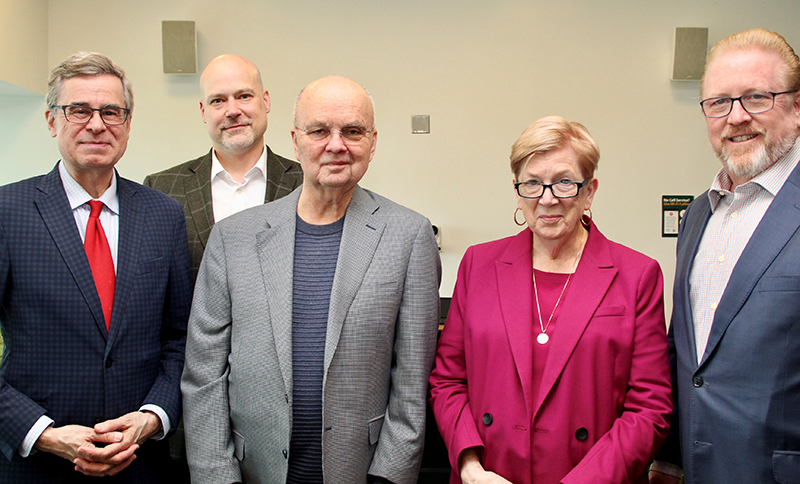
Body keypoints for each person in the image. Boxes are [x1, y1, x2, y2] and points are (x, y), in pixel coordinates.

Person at [181, 75, 441, 484]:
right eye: (319, 130)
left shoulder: (409, 236)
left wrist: (389, 477)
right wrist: (216, 475)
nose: (336, 145)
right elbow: (204, 376)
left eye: (352, 131)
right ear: (296, 140)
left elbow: (411, 383)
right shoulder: (233, 238)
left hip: (360, 471)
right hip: (252, 471)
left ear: (373, 142)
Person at [429, 116, 672, 484]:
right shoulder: (478, 265)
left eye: (563, 182)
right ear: (517, 190)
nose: (547, 199)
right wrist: (469, 467)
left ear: (589, 191)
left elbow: (649, 407)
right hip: (489, 475)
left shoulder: (637, 275)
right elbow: (448, 381)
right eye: (532, 183)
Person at [0, 52, 192, 483]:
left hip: (141, 464)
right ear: (52, 121)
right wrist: (44, 434)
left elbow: (180, 338)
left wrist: (152, 417)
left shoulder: (163, 215)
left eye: (111, 111)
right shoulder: (7, 211)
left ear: (127, 123)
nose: (96, 123)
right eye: (78, 110)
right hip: (37, 466)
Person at [649, 28, 800, 484]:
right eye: (719, 102)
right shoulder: (698, 214)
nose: (735, 117)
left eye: (756, 97)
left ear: (796, 107)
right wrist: (670, 459)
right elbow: (687, 352)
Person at [144, 54, 302, 280]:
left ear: (265, 101)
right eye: (218, 100)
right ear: (203, 111)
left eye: (244, 96)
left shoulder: (307, 183)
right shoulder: (162, 189)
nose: (233, 110)